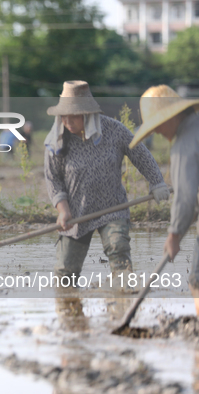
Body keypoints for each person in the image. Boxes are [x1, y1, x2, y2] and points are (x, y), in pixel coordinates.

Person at [43, 81, 169, 286]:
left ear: (86, 113)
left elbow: (141, 154)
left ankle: (122, 302)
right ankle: (68, 312)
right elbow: (53, 179)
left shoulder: (113, 130)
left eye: (72, 115)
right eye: (62, 115)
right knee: (65, 274)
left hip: (113, 207)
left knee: (118, 250)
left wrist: (157, 182)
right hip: (76, 213)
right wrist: (63, 210)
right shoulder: (56, 140)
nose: (66, 120)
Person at [129, 85, 199, 310]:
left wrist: (174, 234)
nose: (157, 132)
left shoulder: (184, 144)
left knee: (197, 283)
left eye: (157, 126)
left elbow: (186, 197)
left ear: (171, 117)